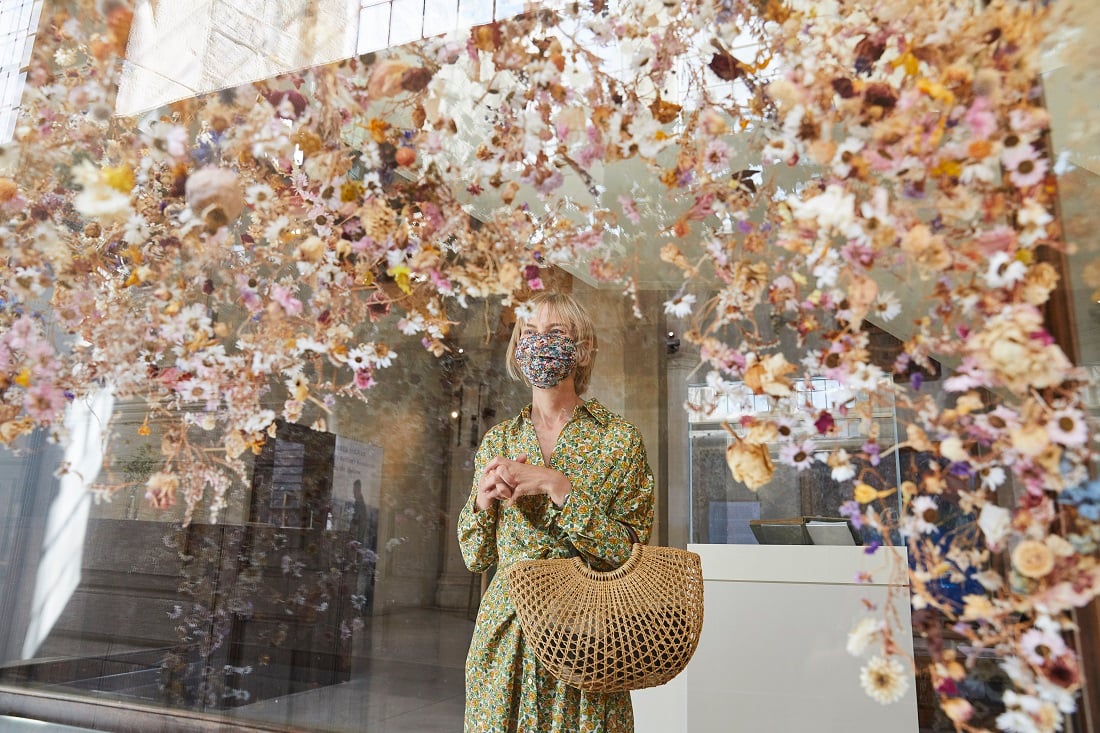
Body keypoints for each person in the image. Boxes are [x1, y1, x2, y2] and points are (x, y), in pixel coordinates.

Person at [457, 292, 655, 733]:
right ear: (516, 346)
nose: (540, 342)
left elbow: (627, 554)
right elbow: (476, 557)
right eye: (529, 333)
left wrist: (557, 486)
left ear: (581, 347)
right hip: (506, 634)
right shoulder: (499, 440)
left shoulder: (618, 440)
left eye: (556, 333)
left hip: (589, 636)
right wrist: (481, 503)